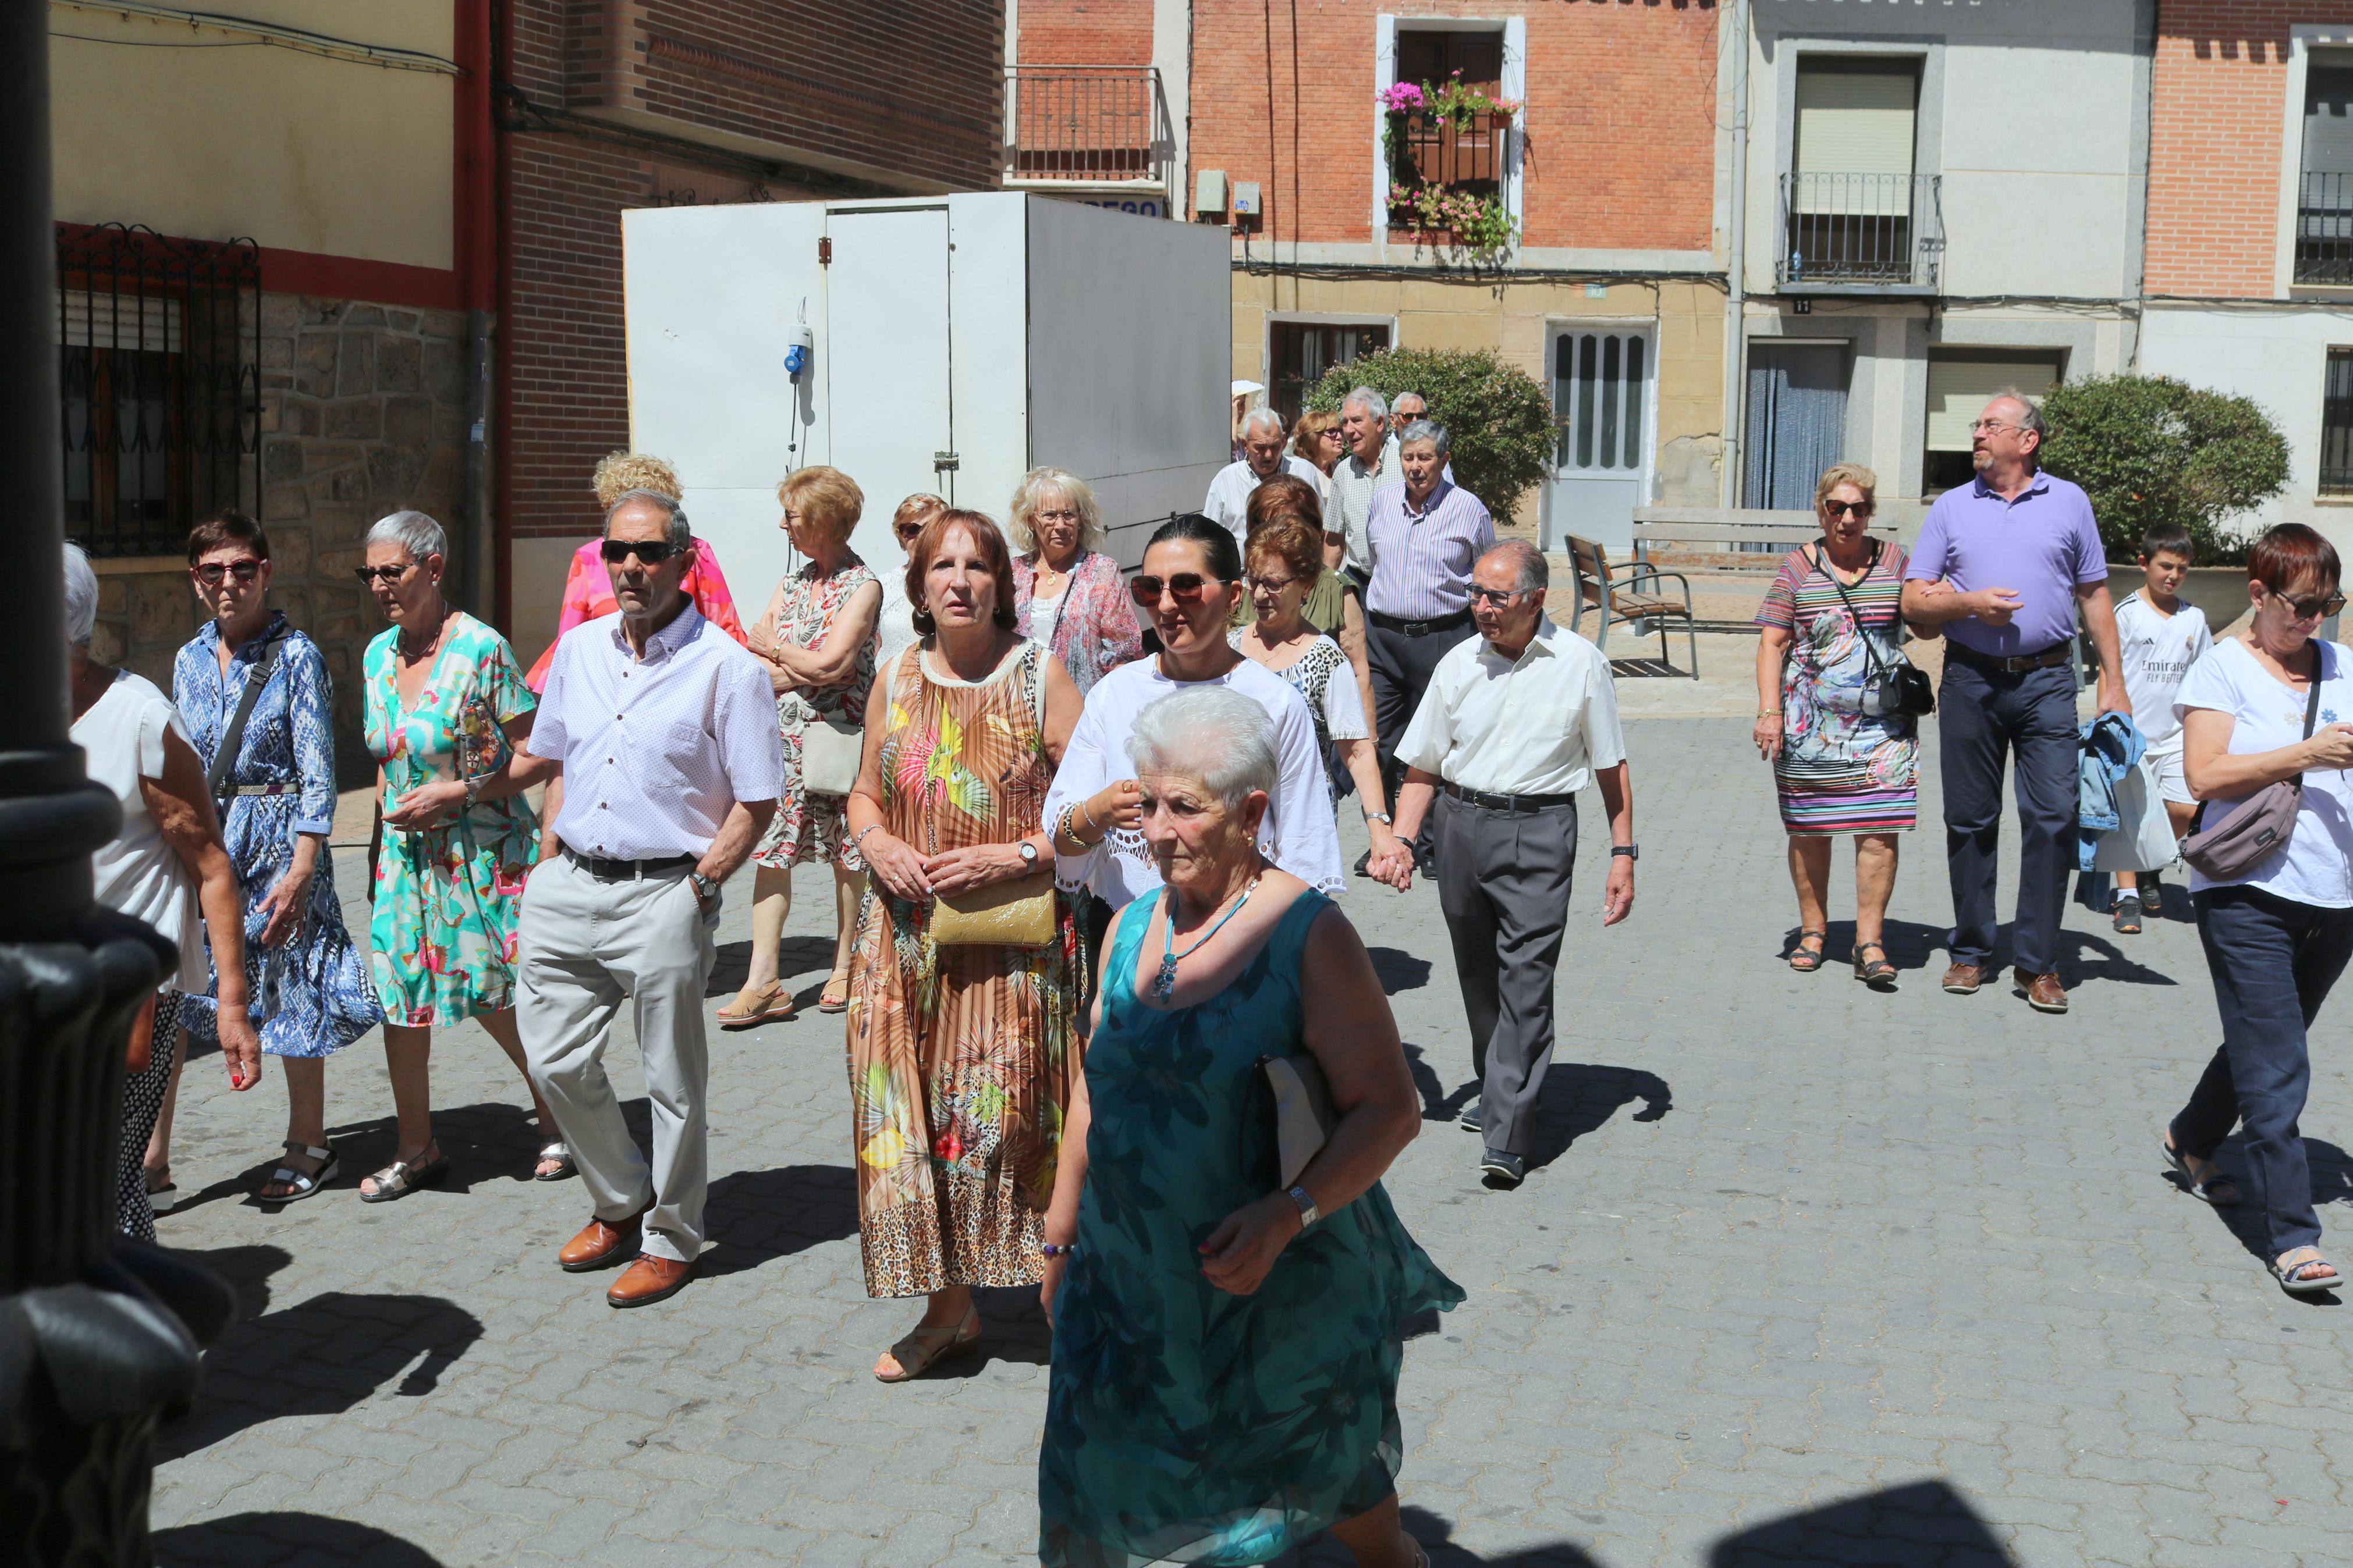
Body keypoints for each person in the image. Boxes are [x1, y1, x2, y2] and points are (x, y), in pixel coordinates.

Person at [1036, 685, 1461, 1568]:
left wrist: (1288, 1211)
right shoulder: (1125, 928)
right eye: (1145, 804)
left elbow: (1391, 1109)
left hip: (1269, 1277)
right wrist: (1059, 1233)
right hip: (1127, 1276)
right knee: (1092, 1476)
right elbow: (1093, 1082)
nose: (1156, 829)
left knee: (1321, 1464)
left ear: (1251, 811)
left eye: (1183, 807)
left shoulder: (1308, 935)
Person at [517, 488, 784, 1309]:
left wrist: (701, 887)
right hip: (568, 883)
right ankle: (621, 1196)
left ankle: (671, 1235)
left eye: (648, 552)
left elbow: (758, 798)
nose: (629, 567)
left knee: (671, 1079)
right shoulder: (580, 649)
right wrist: (548, 854)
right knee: (552, 1060)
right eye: (616, 553)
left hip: (666, 887)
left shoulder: (728, 670)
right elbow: (557, 757)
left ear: (684, 561)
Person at [839, 507, 1087, 1381]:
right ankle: (948, 1311)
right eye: (939, 565)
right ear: (917, 584)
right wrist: (877, 844)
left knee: (1002, 1124)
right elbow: (864, 792)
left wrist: (1015, 851)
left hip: (1011, 949)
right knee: (910, 1128)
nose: (957, 580)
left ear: (1000, 582)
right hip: (904, 947)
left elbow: (1094, 817)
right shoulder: (895, 675)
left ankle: (1068, 1295)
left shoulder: (1040, 676)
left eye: (975, 565)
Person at [1390, 542, 1635, 1190]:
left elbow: (1610, 764)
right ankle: (1500, 1088)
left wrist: (1622, 852)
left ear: (1535, 600)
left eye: (1495, 596)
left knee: (1525, 979)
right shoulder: (1455, 664)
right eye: (1474, 593)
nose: (1480, 607)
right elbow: (1422, 764)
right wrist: (1399, 839)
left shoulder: (1580, 664)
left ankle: (1508, 1133)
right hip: (1460, 828)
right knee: (1477, 976)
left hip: (1539, 830)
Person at [168, 511, 379, 1207]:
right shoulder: (189, 659)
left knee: (296, 986)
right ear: (196, 580)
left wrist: (302, 868)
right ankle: (151, 1157)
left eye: (243, 569)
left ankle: (309, 1144)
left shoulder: (297, 656)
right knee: (186, 983)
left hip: (281, 838)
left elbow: (319, 773)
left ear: (266, 572)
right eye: (213, 571)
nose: (230, 583)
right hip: (209, 844)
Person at [2165, 523, 2353, 1294]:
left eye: (2327, 603)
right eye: (2300, 604)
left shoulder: (2342, 666)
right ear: (2257, 594)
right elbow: (2203, 773)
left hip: (2333, 894)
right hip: (2245, 890)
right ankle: (2289, 1234)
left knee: (2259, 1038)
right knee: (2278, 1061)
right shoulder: (2222, 669)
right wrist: (2302, 754)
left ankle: (2191, 1135)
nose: (2312, 619)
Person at [360, 510, 565, 1197]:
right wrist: (375, 840)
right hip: (405, 860)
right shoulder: (376, 656)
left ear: (434, 567)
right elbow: (387, 757)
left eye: (394, 571)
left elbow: (537, 754)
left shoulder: (480, 649)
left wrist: (458, 790)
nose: (380, 585)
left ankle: (557, 1119)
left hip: (480, 856)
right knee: (398, 998)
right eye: (371, 574)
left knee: (494, 995)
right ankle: (416, 1148)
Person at [1901, 392, 2127, 1015]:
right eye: (1976, 425)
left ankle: (2036, 963)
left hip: (2049, 681)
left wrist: (2114, 681)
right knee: (1969, 821)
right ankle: (1971, 951)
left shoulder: (2069, 502)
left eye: (1988, 426)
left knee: (2052, 817)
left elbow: (2094, 594)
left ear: (2025, 441)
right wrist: (1969, 604)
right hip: (1970, 680)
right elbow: (1913, 605)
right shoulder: (1950, 508)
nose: (1975, 434)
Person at [65, 543, 262, 1241]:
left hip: (128, 998)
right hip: (37, 993)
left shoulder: (139, 718)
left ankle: (133, 1328)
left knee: (103, 1184)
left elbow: (211, 864)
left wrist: (232, 1006)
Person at [1044, 514, 1347, 921]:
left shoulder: (1275, 703)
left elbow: (1304, 847)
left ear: (1233, 594)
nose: (1166, 605)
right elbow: (1063, 837)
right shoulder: (1113, 695)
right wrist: (1099, 810)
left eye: (1186, 586)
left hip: (1240, 936)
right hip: (1126, 934)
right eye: (1149, 589)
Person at [1751, 464, 1925, 989]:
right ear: (1821, 510)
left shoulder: (1895, 561)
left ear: (1870, 512)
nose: (1847, 518)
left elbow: (1923, 621)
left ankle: (1869, 941)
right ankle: (1812, 930)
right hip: (1810, 722)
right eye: (1836, 508)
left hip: (1884, 726)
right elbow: (1771, 643)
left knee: (1878, 830)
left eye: (1858, 509)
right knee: (1810, 830)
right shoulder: (1797, 567)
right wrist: (1768, 712)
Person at [722, 466, 882, 1029]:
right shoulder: (791, 583)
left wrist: (782, 651)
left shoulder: (863, 586)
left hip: (837, 740)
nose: (782, 524)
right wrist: (803, 666)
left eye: (791, 514)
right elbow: (755, 658)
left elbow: (836, 664)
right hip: (779, 741)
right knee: (771, 853)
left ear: (822, 519)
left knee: (847, 853)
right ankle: (763, 980)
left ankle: (846, 962)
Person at [1235, 512, 1410, 883]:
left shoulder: (1324, 656)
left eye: (1275, 584)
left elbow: (1357, 750)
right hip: (1232, 818)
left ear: (1308, 587)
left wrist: (1379, 828)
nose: (1261, 595)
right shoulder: (1230, 647)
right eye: (1254, 581)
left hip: (1299, 819)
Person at [1364, 420, 1495, 875]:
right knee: (1376, 744)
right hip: (1383, 639)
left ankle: (1431, 848)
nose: (1415, 467)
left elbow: (1483, 576)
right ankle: (1383, 841)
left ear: (1443, 460)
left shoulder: (1469, 510)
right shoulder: (1381, 502)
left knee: (1437, 748)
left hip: (1443, 639)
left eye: (1425, 458)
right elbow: (1374, 561)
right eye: (1408, 457)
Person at [524, 452, 748, 689]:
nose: (631, 564)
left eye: (651, 550)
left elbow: (724, 624)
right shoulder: (590, 556)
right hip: (608, 679)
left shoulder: (695, 551)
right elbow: (570, 635)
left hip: (684, 676)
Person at [2110, 521, 2211, 933]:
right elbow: (2109, 669)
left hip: (2176, 738)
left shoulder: (2195, 619)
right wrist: (2111, 720)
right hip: (2131, 734)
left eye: (2181, 569)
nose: (2172, 575)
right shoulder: (2126, 614)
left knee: (2184, 809)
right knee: (2127, 817)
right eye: (2165, 565)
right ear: (2143, 563)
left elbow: (2204, 675)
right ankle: (2126, 896)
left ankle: (2151, 864)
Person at [1245, 475, 1378, 756]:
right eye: (1265, 526)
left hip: (1313, 750)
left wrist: (1367, 747)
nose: (1274, 539)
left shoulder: (1336, 590)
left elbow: (1359, 673)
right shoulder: (1244, 589)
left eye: (1287, 529)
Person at [1007, 465, 1143, 697]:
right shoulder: (1013, 573)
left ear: (1081, 519)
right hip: (1020, 709)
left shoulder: (1102, 572)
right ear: (1031, 520)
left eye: (1069, 515)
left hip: (1083, 711)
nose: (1060, 526)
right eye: (1050, 516)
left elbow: (1125, 654)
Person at [1204, 406, 1322, 542]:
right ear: (1245, 445)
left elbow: (1320, 528)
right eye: (1260, 448)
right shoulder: (1225, 480)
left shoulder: (1305, 472)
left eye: (1274, 446)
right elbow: (1208, 536)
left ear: (1284, 440)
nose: (1268, 455)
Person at [1328, 386, 1403, 583]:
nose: (1349, 430)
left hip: (1403, 583)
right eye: (1345, 422)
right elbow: (1334, 539)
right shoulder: (1343, 472)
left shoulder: (1406, 461)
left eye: (1357, 421)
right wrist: (1324, 587)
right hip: (1359, 582)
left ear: (1380, 423)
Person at [878, 492, 944, 667]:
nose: (922, 537)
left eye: (931, 529)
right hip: (891, 689)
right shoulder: (881, 586)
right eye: (912, 530)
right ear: (901, 540)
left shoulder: (960, 582)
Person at [1291, 406, 1344, 510]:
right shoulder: (1298, 471)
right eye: (1332, 432)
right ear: (1313, 437)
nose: (1339, 437)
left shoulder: (1342, 468)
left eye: (1340, 431)